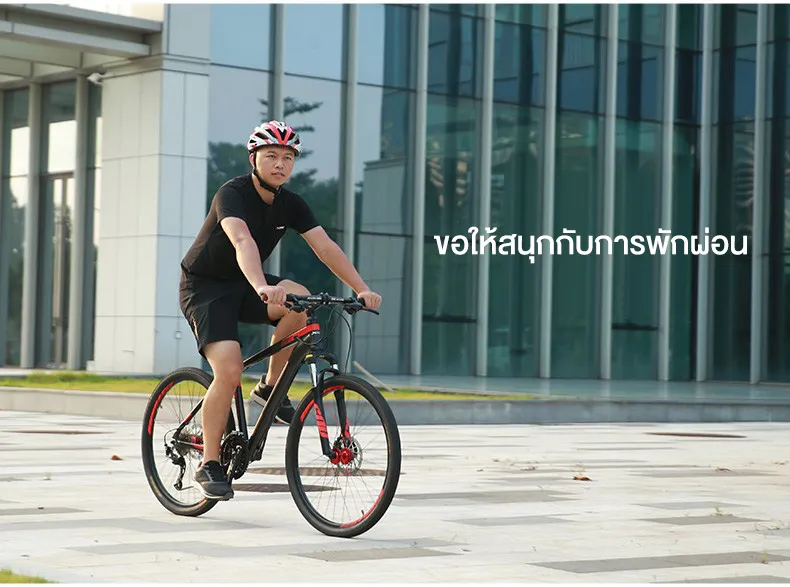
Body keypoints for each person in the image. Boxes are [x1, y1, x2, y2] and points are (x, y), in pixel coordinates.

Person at [178, 120, 382, 501]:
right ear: (253, 159)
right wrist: (261, 286)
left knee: (300, 299)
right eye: (271, 155)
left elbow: (325, 247)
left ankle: (269, 387)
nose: (280, 164)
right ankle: (209, 463)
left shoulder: (290, 203)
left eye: (288, 157)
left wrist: (362, 288)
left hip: (247, 283)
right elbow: (242, 240)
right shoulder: (231, 193)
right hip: (205, 288)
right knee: (229, 370)